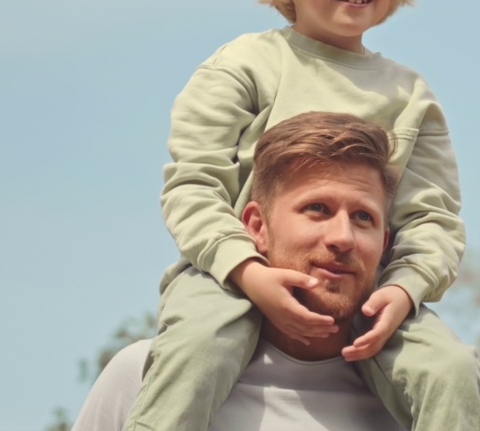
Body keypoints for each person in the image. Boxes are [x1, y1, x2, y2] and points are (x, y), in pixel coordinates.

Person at [124, 0, 480, 431]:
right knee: (195, 349)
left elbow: (432, 219)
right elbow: (194, 186)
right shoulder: (244, 65)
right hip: (231, 276)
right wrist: (246, 270)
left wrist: (404, 287)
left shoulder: (411, 97)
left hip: (366, 291)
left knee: (452, 371)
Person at [74, 112, 411, 430]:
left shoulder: (417, 407)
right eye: (317, 209)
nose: (343, 238)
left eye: (363, 217)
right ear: (257, 227)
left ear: (383, 243)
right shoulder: (146, 376)